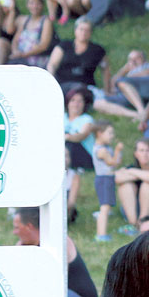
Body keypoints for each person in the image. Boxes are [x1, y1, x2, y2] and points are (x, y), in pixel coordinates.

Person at [13, 207, 98, 297]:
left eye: (17, 227)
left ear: (29, 226)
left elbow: (56, 283)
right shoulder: (21, 247)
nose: (14, 232)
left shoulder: (59, 242)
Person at [115, 137, 149, 235]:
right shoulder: (131, 167)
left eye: (148, 151)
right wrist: (143, 175)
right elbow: (116, 178)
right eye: (141, 151)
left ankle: (143, 222)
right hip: (134, 211)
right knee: (125, 186)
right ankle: (133, 224)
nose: (144, 154)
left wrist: (133, 172)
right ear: (136, 154)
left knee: (148, 185)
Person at [94, 48, 149, 119]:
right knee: (97, 103)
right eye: (130, 59)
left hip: (146, 91)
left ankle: (141, 111)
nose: (133, 61)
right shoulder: (127, 73)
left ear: (143, 58)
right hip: (128, 96)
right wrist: (123, 70)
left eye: (136, 58)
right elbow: (112, 84)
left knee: (122, 82)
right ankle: (136, 115)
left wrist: (128, 77)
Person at [47, 18, 107, 95]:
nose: (83, 33)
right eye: (81, 29)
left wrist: (107, 89)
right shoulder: (64, 46)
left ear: (91, 32)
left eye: (87, 30)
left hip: (86, 86)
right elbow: (52, 64)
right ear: (75, 30)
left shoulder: (97, 50)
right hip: (63, 84)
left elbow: (105, 69)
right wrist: (51, 82)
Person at [63, 85, 96, 222]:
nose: (76, 104)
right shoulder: (61, 117)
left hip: (83, 153)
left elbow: (81, 135)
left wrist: (65, 136)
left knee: (69, 144)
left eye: (80, 101)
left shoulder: (87, 119)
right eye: (73, 100)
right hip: (65, 151)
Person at [92, 120, 123, 242]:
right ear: (100, 133)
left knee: (106, 207)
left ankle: (102, 233)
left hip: (107, 179)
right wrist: (118, 150)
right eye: (109, 133)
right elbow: (112, 162)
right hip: (104, 179)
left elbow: (115, 163)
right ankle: (101, 234)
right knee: (104, 208)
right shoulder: (101, 150)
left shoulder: (105, 148)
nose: (112, 136)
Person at [8, 0, 54, 68]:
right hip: (20, 57)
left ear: (42, 5)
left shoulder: (46, 21)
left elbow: (43, 45)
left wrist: (23, 55)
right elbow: (15, 40)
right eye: (31, 3)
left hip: (36, 60)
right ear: (27, 5)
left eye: (38, 4)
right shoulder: (25, 20)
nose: (35, 6)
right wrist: (15, 51)